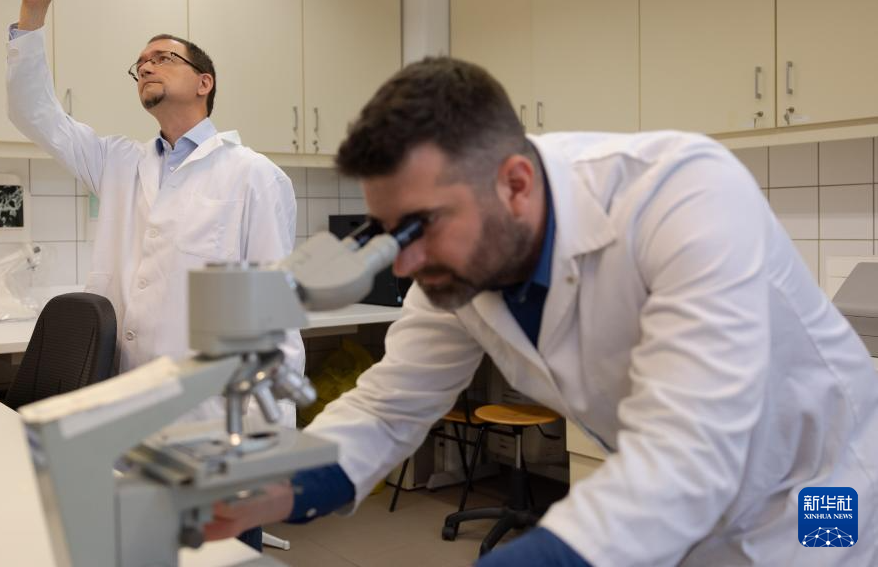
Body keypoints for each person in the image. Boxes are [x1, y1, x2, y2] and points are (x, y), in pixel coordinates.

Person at [204, 56, 878, 566]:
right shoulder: (459, 269)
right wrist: (277, 488)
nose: (403, 264)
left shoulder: (682, 193)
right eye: (389, 237)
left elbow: (690, 452)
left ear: (515, 185)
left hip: (815, 483)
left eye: (419, 228)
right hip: (679, 506)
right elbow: (388, 407)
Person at [7, 0, 304, 551]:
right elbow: (36, 113)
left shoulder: (253, 176)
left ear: (204, 82)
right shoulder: (118, 163)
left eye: (163, 57)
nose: (146, 66)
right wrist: (32, 14)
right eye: (140, 62)